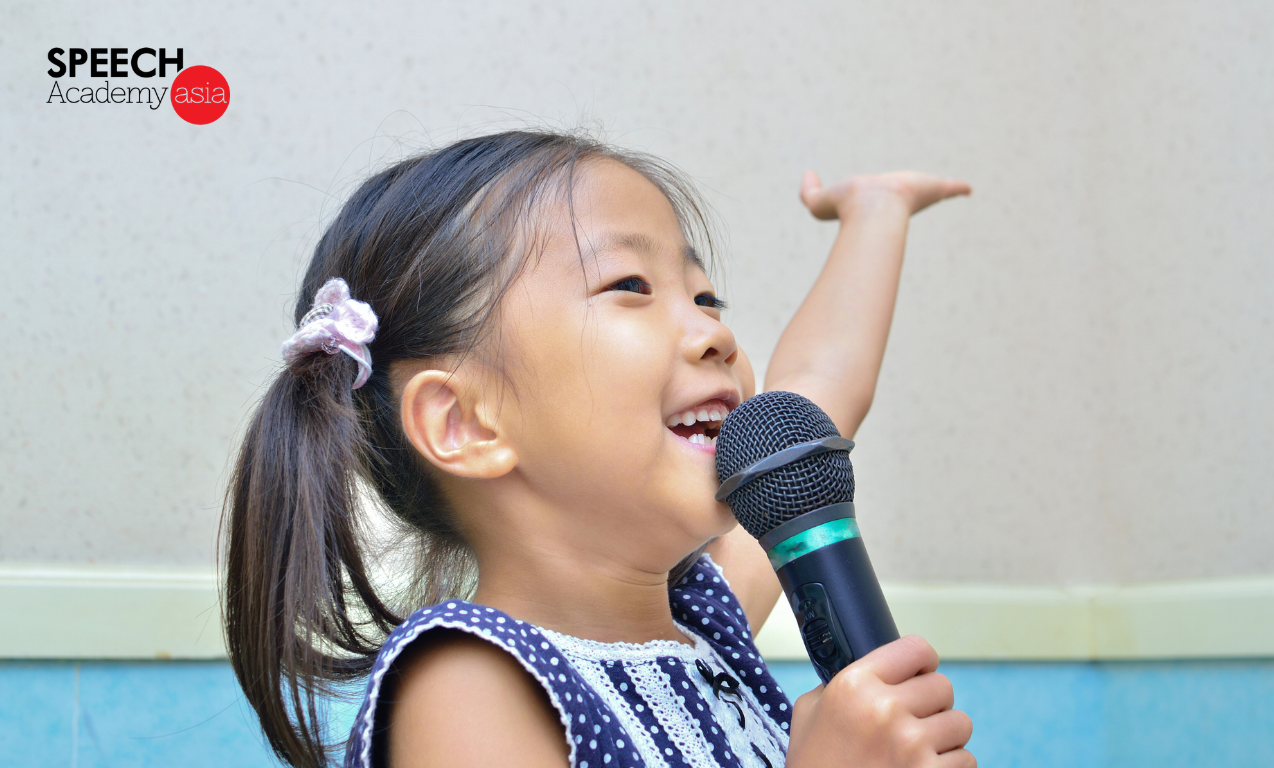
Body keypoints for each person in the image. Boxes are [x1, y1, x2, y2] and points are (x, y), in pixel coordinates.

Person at [223, 130, 973, 768]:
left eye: (706, 297)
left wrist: (876, 216)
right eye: (630, 285)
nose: (717, 334)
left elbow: (818, 388)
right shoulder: (466, 681)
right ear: (465, 423)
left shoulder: (707, 625)